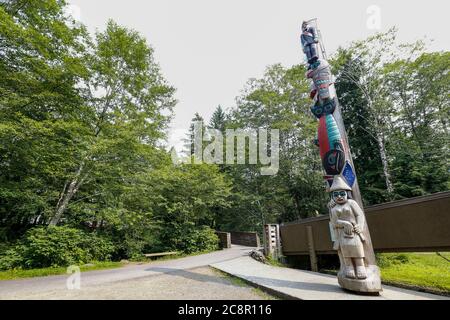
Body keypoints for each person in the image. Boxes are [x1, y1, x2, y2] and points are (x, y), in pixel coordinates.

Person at [329, 176, 367, 279]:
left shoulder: (351, 203)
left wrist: (359, 225)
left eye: (342, 194)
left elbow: (360, 214)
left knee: (357, 248)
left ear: (347, 194)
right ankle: (349, 266)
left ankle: (360, 266)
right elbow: (334, 222)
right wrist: (344, 223)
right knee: (345, 250)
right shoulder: (334, 208)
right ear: (332, 196)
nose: (339, 197)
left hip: (354, 232)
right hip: (342, 233)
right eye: (336, 195)